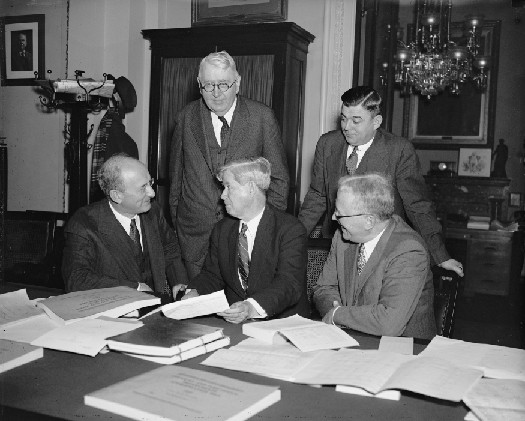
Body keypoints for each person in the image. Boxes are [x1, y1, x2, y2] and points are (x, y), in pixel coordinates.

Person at [298, 86, 463, 277]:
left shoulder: (398, 150)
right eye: (343, 118)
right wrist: (294, 238)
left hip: (382, 251)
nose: (346, 127)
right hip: (338, 247)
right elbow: (317, 196)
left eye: (356, 120)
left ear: (376, 121)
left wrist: (440, 255)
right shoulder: (327, 144)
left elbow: (417, 206)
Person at [169, 50, 289, 281]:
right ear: (199, 84)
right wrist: (179, 227)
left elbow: (279, 182)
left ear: (238, 83)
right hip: (195, 238)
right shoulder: (185, 117)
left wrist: (264, 230)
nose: (216, 94)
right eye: (208, 85)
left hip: (244, 236)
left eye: (223, 84)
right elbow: (176, 181)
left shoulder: (261, 117)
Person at [180, 157, 308, 324]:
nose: (222, 196)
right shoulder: (222, 229)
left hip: (283, 324)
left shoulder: (290, 229)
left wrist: (250, 307)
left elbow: (288, 283)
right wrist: (195, 292)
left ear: (250, 188)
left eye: (228, 187)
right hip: (235, 324)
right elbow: (212, 275)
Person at [313, 173, 437, 340]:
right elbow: (323, 287)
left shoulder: (408, 250)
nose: (334, 217)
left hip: (404, 348)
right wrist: (333, 307)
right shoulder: (343, 237)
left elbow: (389, 324)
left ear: (369, 221)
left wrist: (339, 314)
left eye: (340, 213)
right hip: (352, 339)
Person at [62, 154, 188, 295]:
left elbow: (170, 250)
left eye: (150, 183)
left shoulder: (153, 212)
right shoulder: (84, 224)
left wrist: (179, 282)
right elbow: (76, 280)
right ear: (117, 196)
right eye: (142, 188)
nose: (152, 193)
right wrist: (134, 288)